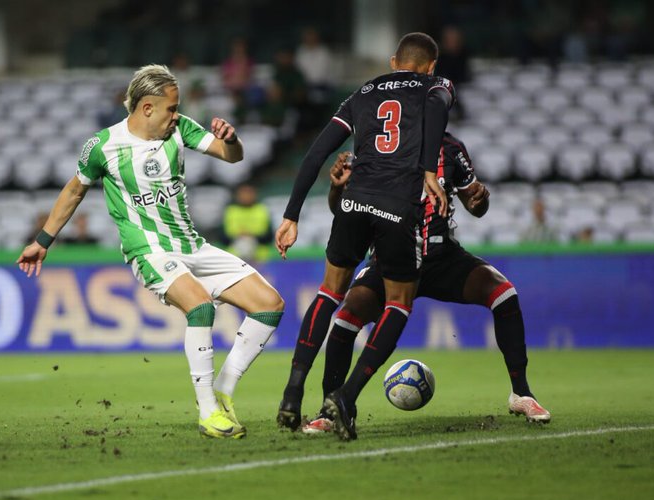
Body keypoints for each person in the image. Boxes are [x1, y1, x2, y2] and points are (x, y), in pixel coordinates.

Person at [16, 64, 285, 439]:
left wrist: (233, 138)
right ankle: (208, 412)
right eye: (171, 108)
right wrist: (42, 241)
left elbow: (232, 156)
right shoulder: (102, 146)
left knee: (270, 303)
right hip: (150, 250)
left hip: (192, 245)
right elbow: (74, 191)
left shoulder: (181, 129)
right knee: (200, 307)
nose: (176, 115)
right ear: (146, 108)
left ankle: (223, 390)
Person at [299, 139, 550, 436]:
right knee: (348, 314)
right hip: (393, 258)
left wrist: (479, 200)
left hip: (441, 256)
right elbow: (343, 208)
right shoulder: (377, 146)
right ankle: (331, 410)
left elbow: (475, 205)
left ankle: (521, 394)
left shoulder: (450, 149)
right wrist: (337, 188)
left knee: (503, 293)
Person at [274, 32, 454, 440]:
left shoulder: (362, 93)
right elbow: (439, 108)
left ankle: (292, 391)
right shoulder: (436, 85)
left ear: (394, 61)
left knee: (328, 292)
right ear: (430, 65)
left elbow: (316, 153)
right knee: (399, 303)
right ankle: (346, 396)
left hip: (354, 203)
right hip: (396, 204)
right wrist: (428, 169)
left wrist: (291, 214)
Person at [221, 183, 273, 263]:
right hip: (234, 257)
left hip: (259, 258)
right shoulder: (230, 211)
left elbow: (269, 237)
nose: (246, 196)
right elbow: (223, 238)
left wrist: (252, 237)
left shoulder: (262, 210)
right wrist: (238, 237)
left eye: (249, 193)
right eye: (243, 193)